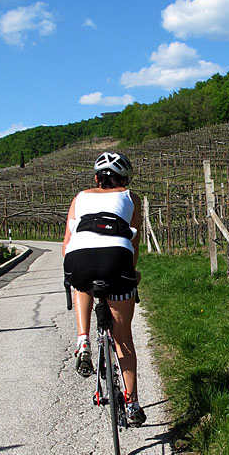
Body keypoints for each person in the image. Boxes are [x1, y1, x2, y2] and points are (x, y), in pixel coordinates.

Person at [62, 152, 146, 427]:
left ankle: (83, 340)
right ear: (125, 178)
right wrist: (131, 274)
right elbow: (132, 244)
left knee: (82, 280)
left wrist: (70, 274)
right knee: (123, 338)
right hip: (116, 260)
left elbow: (67, 242)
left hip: (78, 259)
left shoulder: (79, 197)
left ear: (96, 178)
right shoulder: (131, 198)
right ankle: (132, 404)